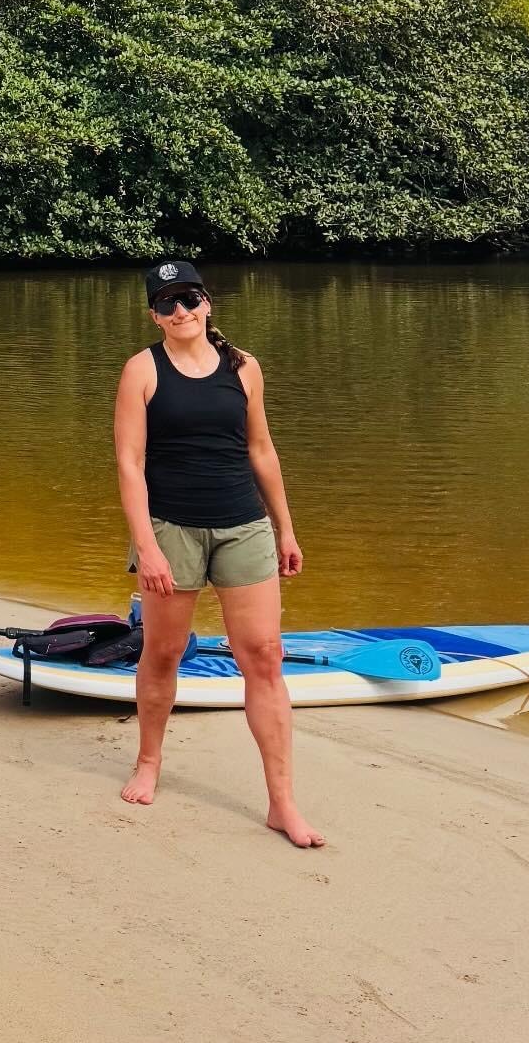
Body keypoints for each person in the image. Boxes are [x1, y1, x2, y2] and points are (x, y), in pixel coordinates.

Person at [113, 260, 323, 848]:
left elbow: (261, 449)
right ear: (153, 313)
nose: (179, 311)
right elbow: (130, 464)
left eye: (188, 298)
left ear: (208, 303)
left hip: (243, 525)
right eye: (166, 303)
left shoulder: (244, 367)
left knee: (264, 655)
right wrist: (146, 547)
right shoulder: (142, 371)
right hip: (171, 529)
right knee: (164, 651)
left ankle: (282, 803)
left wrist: (285, 528)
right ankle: (149, 762)